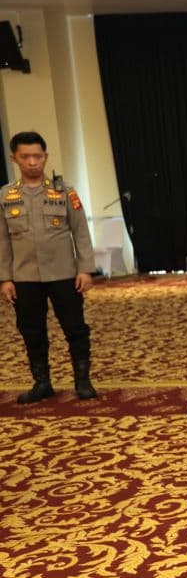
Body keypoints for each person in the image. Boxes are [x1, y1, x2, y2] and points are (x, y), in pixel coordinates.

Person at [1, 131, 97, 402]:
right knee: (31, 330)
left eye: (37, 156)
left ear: (45, 156)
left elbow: (80, 231)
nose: (32, 162)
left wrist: (85, 269)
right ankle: (42, 383)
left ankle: (83, 381)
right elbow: (2, 241)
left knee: (75, 328)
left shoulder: (65, 192)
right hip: (24, 276)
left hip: (64, 273)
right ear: (14, 158)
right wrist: (5, 278)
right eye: (25, 157)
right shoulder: (6, 195)